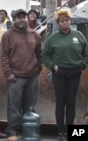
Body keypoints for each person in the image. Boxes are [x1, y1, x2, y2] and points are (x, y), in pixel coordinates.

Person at [42, 8, 88, 141]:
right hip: (59, 74)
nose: (65, 23)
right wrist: (53, 66)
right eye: (62, 21)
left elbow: (86, 52)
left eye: (67, 20)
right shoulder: (52, 38)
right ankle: (60, 132)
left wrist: (83, 64)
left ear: (70, 21)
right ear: (58, 23)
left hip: (75, 73)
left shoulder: (78, 35)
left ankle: (70, 130)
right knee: (60, 103)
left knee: (71, 102)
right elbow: (45, 56)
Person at [0, 9, 42, 141]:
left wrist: (39, 67)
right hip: (15, 77)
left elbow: (40, 53)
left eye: (24, 17)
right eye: (19, 17)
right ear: (13, 20)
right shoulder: (8, 35)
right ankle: (12, 131)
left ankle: (28, 131)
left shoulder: (34, 34)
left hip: (33, 76)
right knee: (14, 106)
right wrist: (9, 74)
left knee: (30, 106)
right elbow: (4, 56)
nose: (22, 19)